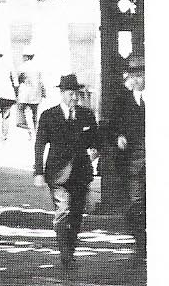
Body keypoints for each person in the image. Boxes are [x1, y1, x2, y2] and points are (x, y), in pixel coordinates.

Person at [33, 73, 101, 271]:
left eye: (77, 94)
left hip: (81, 172)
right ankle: (65, 252)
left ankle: (70, 248)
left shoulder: (86, 114)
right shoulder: (49, 115)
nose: (74, 97)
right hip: (57, 174)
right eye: (71, 93)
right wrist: (38, 172)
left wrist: (95, 151)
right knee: (63, 211)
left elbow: (96, 140)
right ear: (62, 93)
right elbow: (39, 145)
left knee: (77, 214)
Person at [103, 54, 145, 259]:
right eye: (133, 75)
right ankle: (141, 243)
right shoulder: (122, 101)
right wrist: (118, 136)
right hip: (131, 163)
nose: (137, 79)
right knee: (134, 205)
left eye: (141, 74)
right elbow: (110, 127)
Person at [16, 52, 45, 131]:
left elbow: (18, 79)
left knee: (21, 109)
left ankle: (24, 125)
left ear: (26, 57)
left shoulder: (22, 66)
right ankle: (35, 129)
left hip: (25, 93)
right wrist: (43, 92)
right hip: (36, 93)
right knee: (35, 113)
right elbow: (41, 81)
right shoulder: (38, 67)